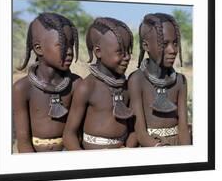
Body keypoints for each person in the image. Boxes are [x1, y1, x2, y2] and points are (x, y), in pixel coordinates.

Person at [63, 17, 138, 150]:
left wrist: (128, 150)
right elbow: (70, 134)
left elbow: (134, 129)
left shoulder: (127, 86)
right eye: (120, 52)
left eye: (128, 51)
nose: (126, 57)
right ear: (98, 52)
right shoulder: (87, 87)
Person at [13, 12, 81, 152]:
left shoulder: (76, 84)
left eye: (71, 45)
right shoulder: (22, 88)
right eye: (61, 45)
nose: (69, 51)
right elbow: (23, 141)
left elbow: (78, 133)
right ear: (39, 49)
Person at [128, 13, 191, 147]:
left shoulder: (180, 81)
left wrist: (186, 155)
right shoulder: (136, 80)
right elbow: (140, 131)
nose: (173, 50)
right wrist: (159, 150)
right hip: (150, 147)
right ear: (146, 46)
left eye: (175, 43)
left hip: (176, 145)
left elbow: (183, 127)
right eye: (165, 44)